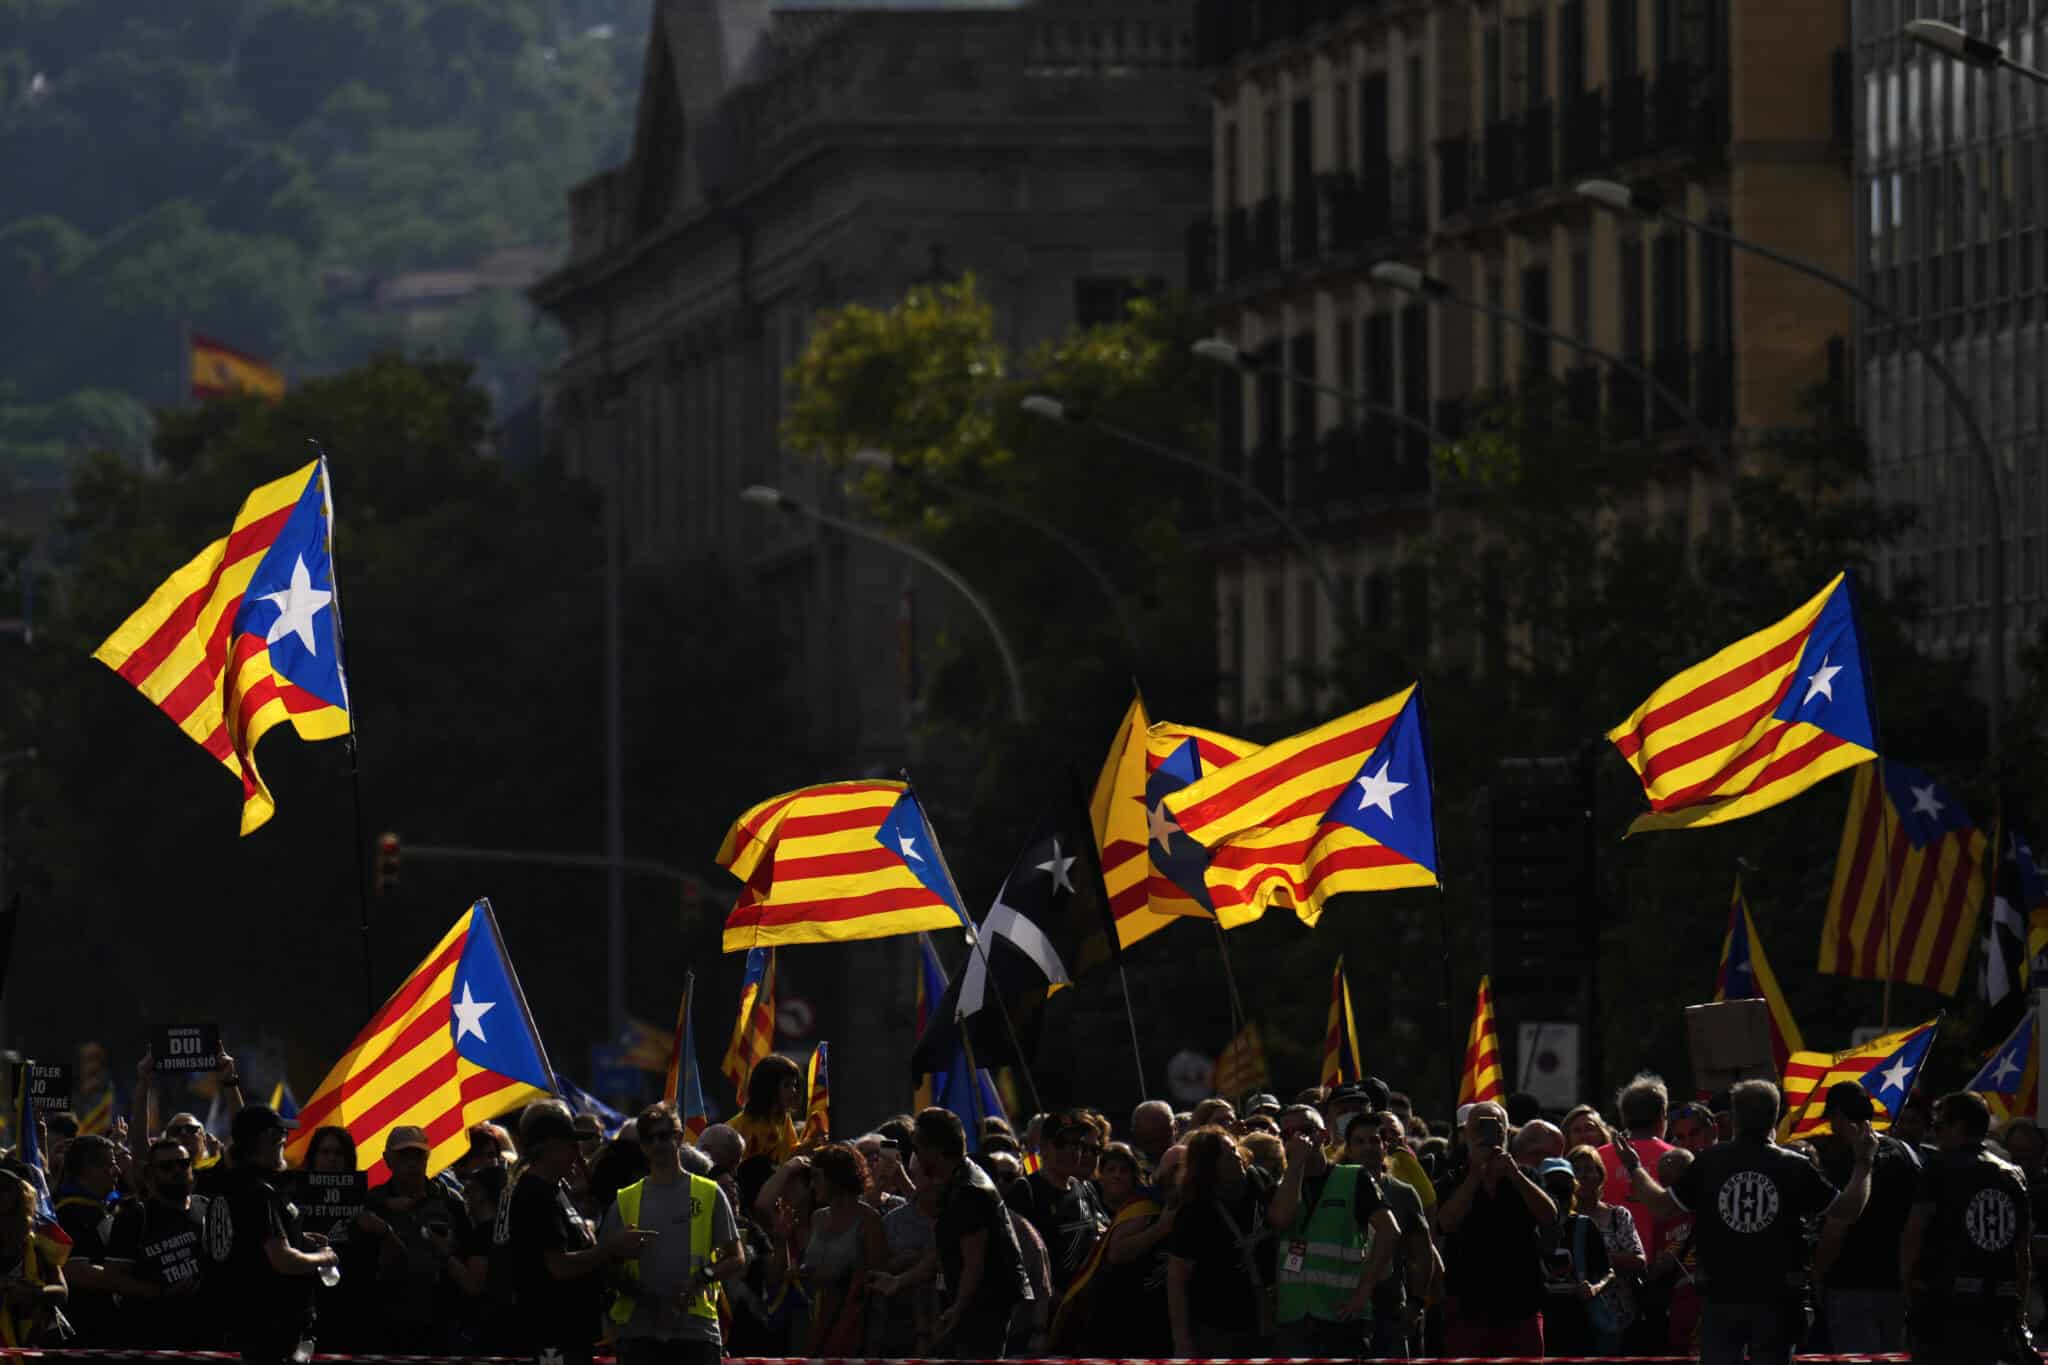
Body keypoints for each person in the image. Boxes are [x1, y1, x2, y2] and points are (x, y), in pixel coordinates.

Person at [1617, 1077, 1875, 1365]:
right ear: (1775, 1118)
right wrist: (1864, 1162)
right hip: (1777, 1298)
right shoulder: (1794, 1166)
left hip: (1721, 1296)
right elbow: (1848, 1209)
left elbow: (1661, 1206)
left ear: (1735, 1117)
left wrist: (1634, 1167)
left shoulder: (1708, 1163)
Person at [498, 1099, 654, 1365]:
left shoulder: (556, 1190)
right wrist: (611, 1247)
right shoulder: (535, 1194)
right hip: (550, 1338)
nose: (578, 1154)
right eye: (571, 1145)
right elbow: (558, 1266)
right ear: (548, 1147)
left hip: (573, 1335)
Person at [597, 1102, 746, 1365]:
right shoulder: (625, 1199)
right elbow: (605, 1266)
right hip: (639, 1333)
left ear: (679, 1138)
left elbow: (736, 1257)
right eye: (649, 1138)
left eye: (664, 1135)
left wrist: (701, 1278)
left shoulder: (709, 1192)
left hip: (696, 1332)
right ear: (642, 1146)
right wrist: (650, 1300)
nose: (657, 1144)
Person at [1901, 1091, 2033, 1363]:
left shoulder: (1938, 1168)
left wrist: (1905, 1285)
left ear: (1958, 1126)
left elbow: (1914, 1233)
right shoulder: (2013, 1175)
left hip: (1943, 1306)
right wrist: (2019, 1307)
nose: (1934, 1134)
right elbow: (2022, 1251)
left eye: (1939, 1126)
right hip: (1997, 1306)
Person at [205, 1104, 339, 1362]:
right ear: (266, 1138)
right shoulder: (257, 1192)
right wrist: (325, 1258)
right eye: (281, 1133)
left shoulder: (228, 1183)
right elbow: (283, 1259)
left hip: (242, 1328)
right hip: (267, 1334)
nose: (285, 1140)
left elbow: (247, 1241)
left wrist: (299, 1237)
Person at [896, 1106, 1029, 1358]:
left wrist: (958, 1307)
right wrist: (898, 1281)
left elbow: (974, 1261)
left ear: (933, 1150)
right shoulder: (958, 1179)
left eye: (918, 1147)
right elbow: (942, 1248)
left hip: (984, 1305)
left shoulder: (969, 1191)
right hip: (973, 1302)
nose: (916, 1155)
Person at [1269, 1110, 1399, 1357]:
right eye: (1288, 1134)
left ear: (1324, 1136)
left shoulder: (1352, 1177)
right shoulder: (1280, 1185)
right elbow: (1281, 1218)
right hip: (1294, 1317)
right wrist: (1295, 1166)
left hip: (1341, 1316)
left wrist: (1363, 1292)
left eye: (1305, 1131)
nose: (1298, 1139)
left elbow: (1390, 1231)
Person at [1437, 1098, 1555, 1354]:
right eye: (1479, 1127)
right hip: (1469, 1304)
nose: (1488, 1133)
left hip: (1520, 1302)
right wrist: (1475, 1174)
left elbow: (1549, 1215)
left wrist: (1514, 1174)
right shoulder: (1454, 1178)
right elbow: (1445, 1223)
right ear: (1466, 1135)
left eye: (1495, 1126)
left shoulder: (1528, 1176)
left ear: (1507, 1132)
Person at [1809, 1082, 1918, 1353]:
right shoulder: (1906, 1153)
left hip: (1850, 1285)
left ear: (1839, 1117)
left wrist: (1817, 1274)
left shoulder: (1843, 1159)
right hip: (1896, 1284)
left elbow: (1836, 1227)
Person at [1054, 1140, 1171, 1356]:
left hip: (1140, 1307)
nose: (1117, 1175)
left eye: (1124, 1170)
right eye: (1111, 1169)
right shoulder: (1087, 1203)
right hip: (1098, 1307)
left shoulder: (1146, 1207)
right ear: (1101, 1174)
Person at [361, 1123, 470, 1351]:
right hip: (386, 1323)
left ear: (428, 1157)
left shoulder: (451, 1202)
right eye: (403, 1156)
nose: (411, 1163)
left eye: (418, 1155)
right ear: (387, 1159)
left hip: (441, 1321)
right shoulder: (371, 1203)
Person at [1165, 1126, 1271, 1357]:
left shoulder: (1258, 1180)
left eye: (1235, 1149)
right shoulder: (1194, 1211)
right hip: (1218, 1324)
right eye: (1226, 1154)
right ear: (1209, 1166)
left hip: (1266, 1315)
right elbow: (1177, 1277)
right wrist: (1181, 1339)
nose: (1236, 1156)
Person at [103, 1137, 215, 1348]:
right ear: (150, 1174)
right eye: (166, 1166)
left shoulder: (206, 1208)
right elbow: (112, 1277)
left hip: (205, 1337)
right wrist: (160, 1292)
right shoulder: (135, 1216)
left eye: (183, 1163)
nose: (177, 1171)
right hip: (153, 1338)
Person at [1347, 1111, 1440, 1358]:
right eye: (1359, 1141)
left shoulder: (1403, 1193)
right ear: (1347, 1148)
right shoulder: (1334, 1189)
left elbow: (1423, 1252)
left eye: (1374, 1140)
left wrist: (1417, 1303)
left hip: (1391, 1310)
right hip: (1344, 1308)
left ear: (1384, 1145)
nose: (1368, 1147)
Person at [795, 1141, 884, 1355]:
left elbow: (877, 1277)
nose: (812, 1185)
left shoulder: (869, 1220)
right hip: (815, 1325)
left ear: (836, 1179)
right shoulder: (817, 1218)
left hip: (850, 1329)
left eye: (817, 1178)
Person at [1008, 1111, 1106, 1294]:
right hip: (1047, 1309)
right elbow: (1015, 1257)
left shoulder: (1085, 1189)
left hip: (1083, 1304)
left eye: (1077, 1145)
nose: (1071, 1151)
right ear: (1043, 1148)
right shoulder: (1025, 1191)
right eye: (1061, 1144)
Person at [1533, 1156, 1613, 1356]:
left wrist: (1594, 1288)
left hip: (1578, 1316)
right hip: (1541, 1315)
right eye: (1552, 1183)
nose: (1559, 1190)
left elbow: (1607, 1271)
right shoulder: (1528, 1226)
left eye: (1565, 1183)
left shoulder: (1584, 1225)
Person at [1568, 1142, 1643, 1353]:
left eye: (1589, 1169)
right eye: (1577, 1170)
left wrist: (1597, 1258)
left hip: (1616, 1315)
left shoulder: (1618, 1216)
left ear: (1600, 1176)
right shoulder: (1560, 1218)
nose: (1583, 1175)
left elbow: (1639, 1260)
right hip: (1573, 1317)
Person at [51, 1133, 121, 1344]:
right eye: (111, 1165)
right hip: (82, 1332)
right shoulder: (69, 1213)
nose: (117, 1171)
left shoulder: (103, 1207)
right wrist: (143, 1287)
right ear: (88, 1170)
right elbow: (78, 1272)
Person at [1601, 1071, 1677, 1253]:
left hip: (1609, 1267)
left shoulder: (1596, 1158)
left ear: (1624, 1117)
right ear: (1662, 1115)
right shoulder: (1678, 1158)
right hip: (1665, 1263)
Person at [0, 1167, 66, 1345]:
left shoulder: (37, 1243)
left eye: (7, 1190)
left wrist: (31, 1293)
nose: (2, 1197)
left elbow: (61, 1291)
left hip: (32, 1338)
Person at [730, 1057, 804, 1165]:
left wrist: (812, 1143)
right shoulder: (738, 1126)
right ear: (769, 1087)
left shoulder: (783, 1118)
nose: (793, 1090)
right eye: (787, 1085)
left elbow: (790, 1154)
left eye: (794, 1085)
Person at [1130, 1101, 1175, 1174]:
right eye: (1149, 1141)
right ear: (1135, 1135)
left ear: (1175, 1128)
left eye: (1162, 1138)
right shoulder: (1126, 1167)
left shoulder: (1190, 1158)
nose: (1156, 1148)